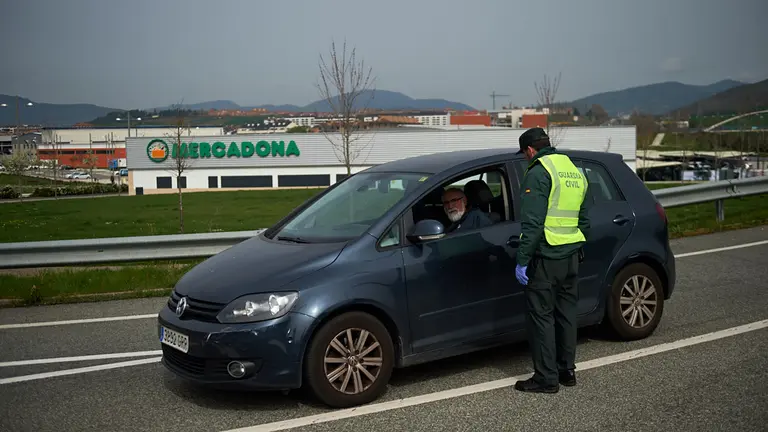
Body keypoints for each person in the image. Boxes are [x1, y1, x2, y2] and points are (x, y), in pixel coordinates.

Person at [512, 127, 590, 394]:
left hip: (546, 257)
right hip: (571, 256)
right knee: (566, 314)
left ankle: (546, 378)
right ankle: (567, 370)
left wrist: (522, 259)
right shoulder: (572, 169)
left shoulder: (538, 172)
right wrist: (579, 245)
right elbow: (585, 218)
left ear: (530, 150)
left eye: (524, 154)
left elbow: (532, 224)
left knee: (542, 317)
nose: (525, 158)